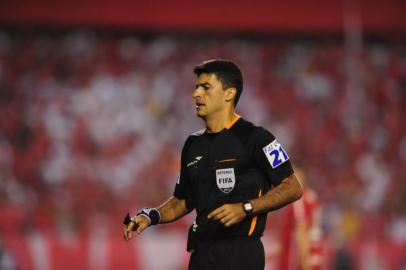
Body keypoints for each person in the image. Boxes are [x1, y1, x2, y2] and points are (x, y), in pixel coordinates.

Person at [123, 59, 303, 270]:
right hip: (201, 253)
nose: (196, 94)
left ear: (229, 94)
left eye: (206, 87)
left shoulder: (259, 139)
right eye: (197, 87)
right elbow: (183, 201)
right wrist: (151, 216)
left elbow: (293, 186)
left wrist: (246, 208)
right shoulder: (192, 144)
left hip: (240, 254)